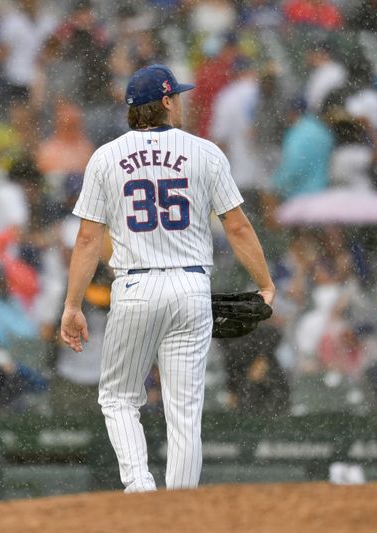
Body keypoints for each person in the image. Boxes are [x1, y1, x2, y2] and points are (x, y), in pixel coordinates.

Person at [60, 64, 275, 493]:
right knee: (184, 412)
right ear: (164, 101)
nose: (180, 101)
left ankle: (141, 490)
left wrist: (72, 305)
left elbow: (87, 239)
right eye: (175, 95)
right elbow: (237, 227)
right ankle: (179, 510)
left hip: (136, 285)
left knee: (119, 398)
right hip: (192, 286)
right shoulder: (206, 152)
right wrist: (265, 283)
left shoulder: (105, 157)